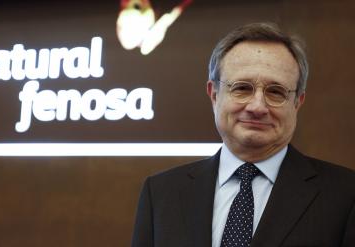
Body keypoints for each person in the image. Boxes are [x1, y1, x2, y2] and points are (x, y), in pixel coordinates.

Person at [131, 22, 354, 247]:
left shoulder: (346, 195)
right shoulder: (160, 194)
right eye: (242, 88)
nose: (257, 107)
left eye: (276, 92)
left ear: (297, 103)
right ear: (214, 94)